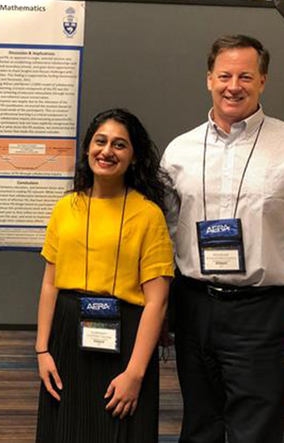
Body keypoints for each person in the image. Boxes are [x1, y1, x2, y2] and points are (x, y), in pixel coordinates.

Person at [161, 35, 284, 443]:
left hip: (262, 312)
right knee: (200, 423)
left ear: (263, 81)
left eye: (246, 76)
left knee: (257, 428)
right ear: (209, 79)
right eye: (225, 75)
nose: (234, 85)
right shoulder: (179, 150)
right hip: (194, 305)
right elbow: (168, 229)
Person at [35, 108, 174, 443]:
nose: (107, 151)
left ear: (134, 157)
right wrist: (42, 350)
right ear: (87, 149)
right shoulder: (65, 208)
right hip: (67, 335)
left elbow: (157, 301)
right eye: (100, 141)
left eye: (119, 145)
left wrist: (136, 373)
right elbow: (50, 283)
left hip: (126, 340)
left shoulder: (148, 215)